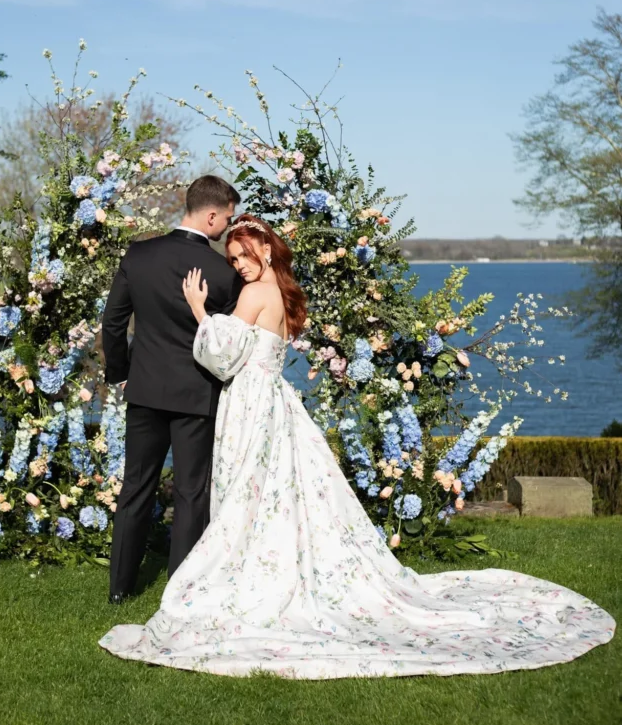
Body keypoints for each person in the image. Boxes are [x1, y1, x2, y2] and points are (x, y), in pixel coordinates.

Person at [100, 215, 615, 678]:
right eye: (233, 258)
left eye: (244, 255)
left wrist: (199, 310)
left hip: (252, 405)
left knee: (248, 491)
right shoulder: (279, 292)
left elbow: (220, 357)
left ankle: (246, 572)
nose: (239, 265)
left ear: (267, 249)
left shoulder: (255, 294)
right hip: (272, 403)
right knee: (270, 492)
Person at [102, 175, 242, 604]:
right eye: (228, 218)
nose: (228, 227)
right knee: (191, 493)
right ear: (212, 215)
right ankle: (180, 593)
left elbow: (113, 323)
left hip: (144, 389)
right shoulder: (223, 274)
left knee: (135, 487)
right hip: (196, 395)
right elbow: (226, 341)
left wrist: (120, 374)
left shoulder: (139, 255)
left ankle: (120, 589)